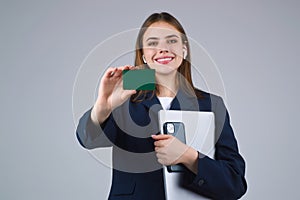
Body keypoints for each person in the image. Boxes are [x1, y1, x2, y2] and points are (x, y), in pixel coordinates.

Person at [76, 12, 247, 199]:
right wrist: (103, 107)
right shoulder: (124, 99)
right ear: (143, 55)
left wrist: (189, 157)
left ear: (184, 49)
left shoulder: (212, 105)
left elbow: (235, 184)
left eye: (171, 41)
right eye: (152, 43)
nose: (163, 49)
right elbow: (88, 140)